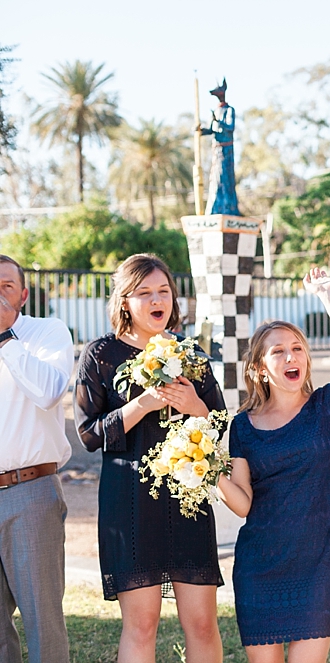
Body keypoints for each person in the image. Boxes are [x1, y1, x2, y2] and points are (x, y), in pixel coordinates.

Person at [75, 253, 225, 663]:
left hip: (188, 501)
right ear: (125, 301)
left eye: (163, 291)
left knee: (202, 624)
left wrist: (196, 405)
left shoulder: (191, 354)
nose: (157, 300)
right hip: (130, 504)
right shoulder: (100, 355)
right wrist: (139, 405)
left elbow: (222, 425)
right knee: (141, 626)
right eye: (144, 293)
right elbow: (88, 434)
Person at [216, 267, 330, 663]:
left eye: (297, 347)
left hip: (319, 564)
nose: (290, 356)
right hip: (259, 567)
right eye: (278, 351)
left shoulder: (327, 408)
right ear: (259, 368)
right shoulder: (242, 427)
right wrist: (206, 471)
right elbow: (244, 503)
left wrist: (328, 295)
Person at [0, 255, 72, 663]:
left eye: (6, 286)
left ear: (24, 294)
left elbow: (48, 392)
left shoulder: (46, 333)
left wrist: (5, 338)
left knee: (43, 623)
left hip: (29, 493)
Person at [199, 78, 239, 216]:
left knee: (225, 178)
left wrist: (218, 123)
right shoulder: (216, 111)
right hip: (216, 150)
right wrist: (200, 130)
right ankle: (216, 208)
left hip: (226, 150)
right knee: (216, 179)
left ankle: (229, 208)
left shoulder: (229, 110)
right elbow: (211, 130)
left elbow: (230, 127)